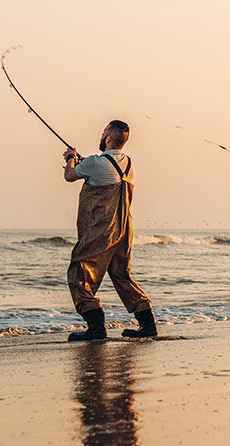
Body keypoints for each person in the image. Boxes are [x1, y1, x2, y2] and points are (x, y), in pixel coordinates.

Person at [62, 119, 157, 340]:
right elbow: (103, 171)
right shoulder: (129, 163)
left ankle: (96, 327)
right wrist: (83, 162)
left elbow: (69, 176)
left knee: (78, 271)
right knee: (121, 274)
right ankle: (148, 325)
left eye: (103, 131)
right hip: (124, 229)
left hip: (101, 229)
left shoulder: (95, 163)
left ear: (108, 138)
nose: (101, 134)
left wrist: (70, 159)